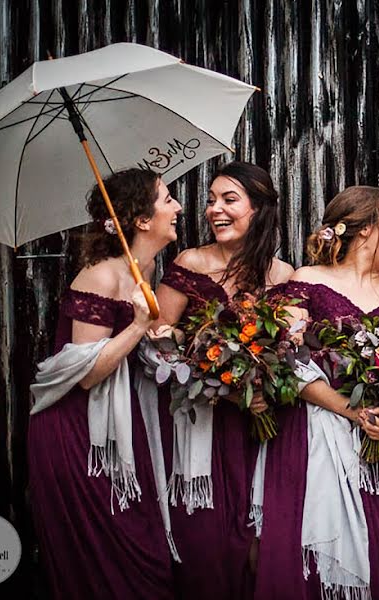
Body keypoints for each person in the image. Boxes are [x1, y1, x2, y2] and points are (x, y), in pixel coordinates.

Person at [253, 186, 379, 600]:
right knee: (302, 554)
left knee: (377, 548)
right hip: (309, 439)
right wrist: (350, 410)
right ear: (364, 229)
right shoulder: (307, 280)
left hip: (377, 446)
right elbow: (282, 363)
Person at [28, 168, 181, 599]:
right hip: (80, 436)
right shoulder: (101, 275)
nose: (178, 207)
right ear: (142, 220)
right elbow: (86, 373)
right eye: (167, 199)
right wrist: (138, 327)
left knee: (139, 556)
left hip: (118, 429)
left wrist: (157, 337)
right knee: (105, 560)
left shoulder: (144, 268)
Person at [151, 161, 293, 599]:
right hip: (203, 428)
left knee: (261, 543)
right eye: (212, 200)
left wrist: (266, 384)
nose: (215, 209)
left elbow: (288, 354)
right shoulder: (189, 263)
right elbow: (158, 342)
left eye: (230, 200)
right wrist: (222, 385)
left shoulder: (283, 275)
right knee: (205, 546)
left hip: (263, 430)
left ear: (260, 209)